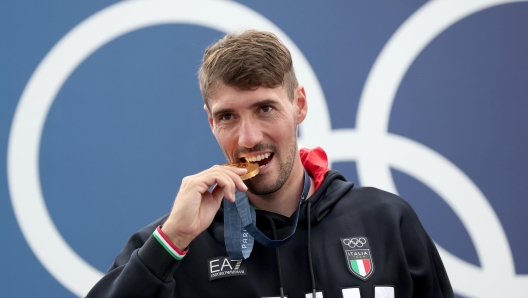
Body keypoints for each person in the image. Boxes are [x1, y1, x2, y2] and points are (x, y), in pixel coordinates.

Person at [87, 30, 453, 298]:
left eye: (265, 108)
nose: (248, 138)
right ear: (211, 123)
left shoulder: (387, 221)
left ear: (300, 105)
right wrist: (173, 240)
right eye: (228, 116)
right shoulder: (175, 243)